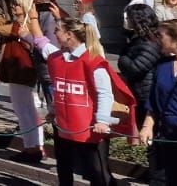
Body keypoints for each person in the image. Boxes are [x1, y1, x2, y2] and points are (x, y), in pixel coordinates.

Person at [24, 12, 122, 186]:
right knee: (64, 168)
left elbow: (105, 93)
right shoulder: (57, 58)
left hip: (89, 128)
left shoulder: (92, 61)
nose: (54, 33)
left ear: (69, 34)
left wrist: (102, 120)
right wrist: (53, 111)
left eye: (58, 30)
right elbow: (58, 88)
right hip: (63, 126)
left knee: (97, 173)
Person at [0, 0, 46, 162]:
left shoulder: (21, 26)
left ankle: (31, 149)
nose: (13, 7)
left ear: (24, 8)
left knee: (23, 111)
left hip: (21, 71)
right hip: (20, 71)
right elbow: (1, 23)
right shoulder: (18, 24)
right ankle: (35, 146)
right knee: (28, 111)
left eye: (16, 4)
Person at [140, 19, 177, 184]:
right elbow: (153, 102)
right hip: (164, 139)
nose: (156, 39)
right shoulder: (162, 66)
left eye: (160, 35)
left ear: (176, 39)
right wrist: (147, 126)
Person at [118, 5, 161, 130]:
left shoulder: (149, 41)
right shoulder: (138, 38)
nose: (125, 20)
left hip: (146, 92)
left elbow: (135, 68)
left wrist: (123, 58)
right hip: (140, 90)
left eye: (128, 17)